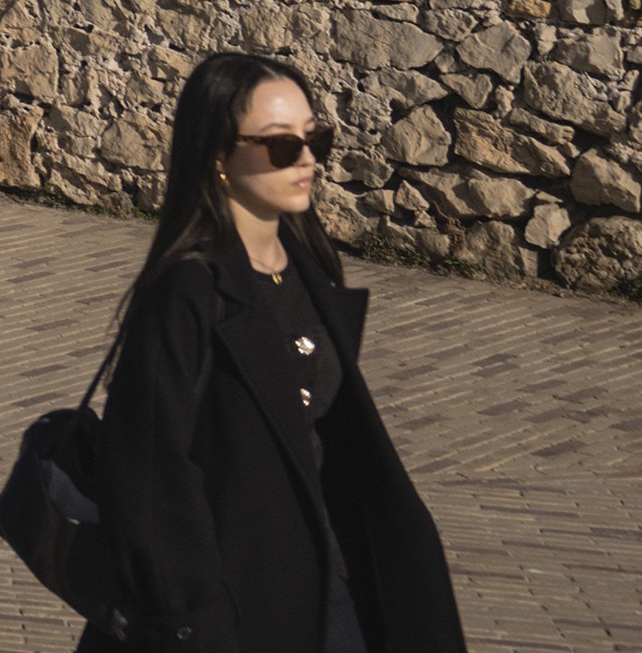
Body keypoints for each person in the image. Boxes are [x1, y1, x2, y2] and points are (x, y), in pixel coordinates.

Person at [81, 52, 467, 653]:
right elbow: (151, 481)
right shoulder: (186, 292)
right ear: (218, 154)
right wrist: (196, 621)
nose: (307, 158)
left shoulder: (311, 271)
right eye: (281, 146)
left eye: (316, 139)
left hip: (330, 589)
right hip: (235, 608)